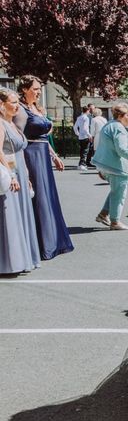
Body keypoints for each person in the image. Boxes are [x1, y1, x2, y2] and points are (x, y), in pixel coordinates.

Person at [14, 75, 74, 260]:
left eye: (40, 89)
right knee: (38, 197)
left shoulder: (37, 108)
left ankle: (53, 239)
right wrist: (22, 167)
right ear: (24, 89)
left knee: (47, 196)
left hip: (43, 155)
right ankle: (40, 244)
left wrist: (54, 155)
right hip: (31, 155)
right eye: (35, 89)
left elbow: (44, 137)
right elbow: (19, 139)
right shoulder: (20, 110)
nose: (39, 92)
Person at [0, 88, 40, 274]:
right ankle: (9, 262)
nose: (17, 106)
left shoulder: (13, 124)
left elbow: (20, 151)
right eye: (13, 102)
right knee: (9, 217)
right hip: (9, 175)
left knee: (22, 215)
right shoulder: (0, 124)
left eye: (17, 102)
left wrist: (26, 175)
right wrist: (12, 175)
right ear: (1, 104)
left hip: (20, 174)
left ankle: (24, 258)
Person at [92, 103, 128, 231]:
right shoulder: (118, 127)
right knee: (119, 194)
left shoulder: (109, 125)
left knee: (115, 191)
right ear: (121, 116)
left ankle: (104, 214)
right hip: (117, 167)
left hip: (108, 165)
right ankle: (115, 221)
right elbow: (121, 149)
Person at [73, 106, 93, 170]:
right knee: (85, 151)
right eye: (89, 111)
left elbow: (75, 127)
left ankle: (80, 164)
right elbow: (85, 128)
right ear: (87, 111)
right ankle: (82, 164)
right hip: (85, 136)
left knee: (82, 151)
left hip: (81, 137)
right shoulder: (86, 118)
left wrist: (78, 134)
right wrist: (89, 135)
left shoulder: (79, 117)